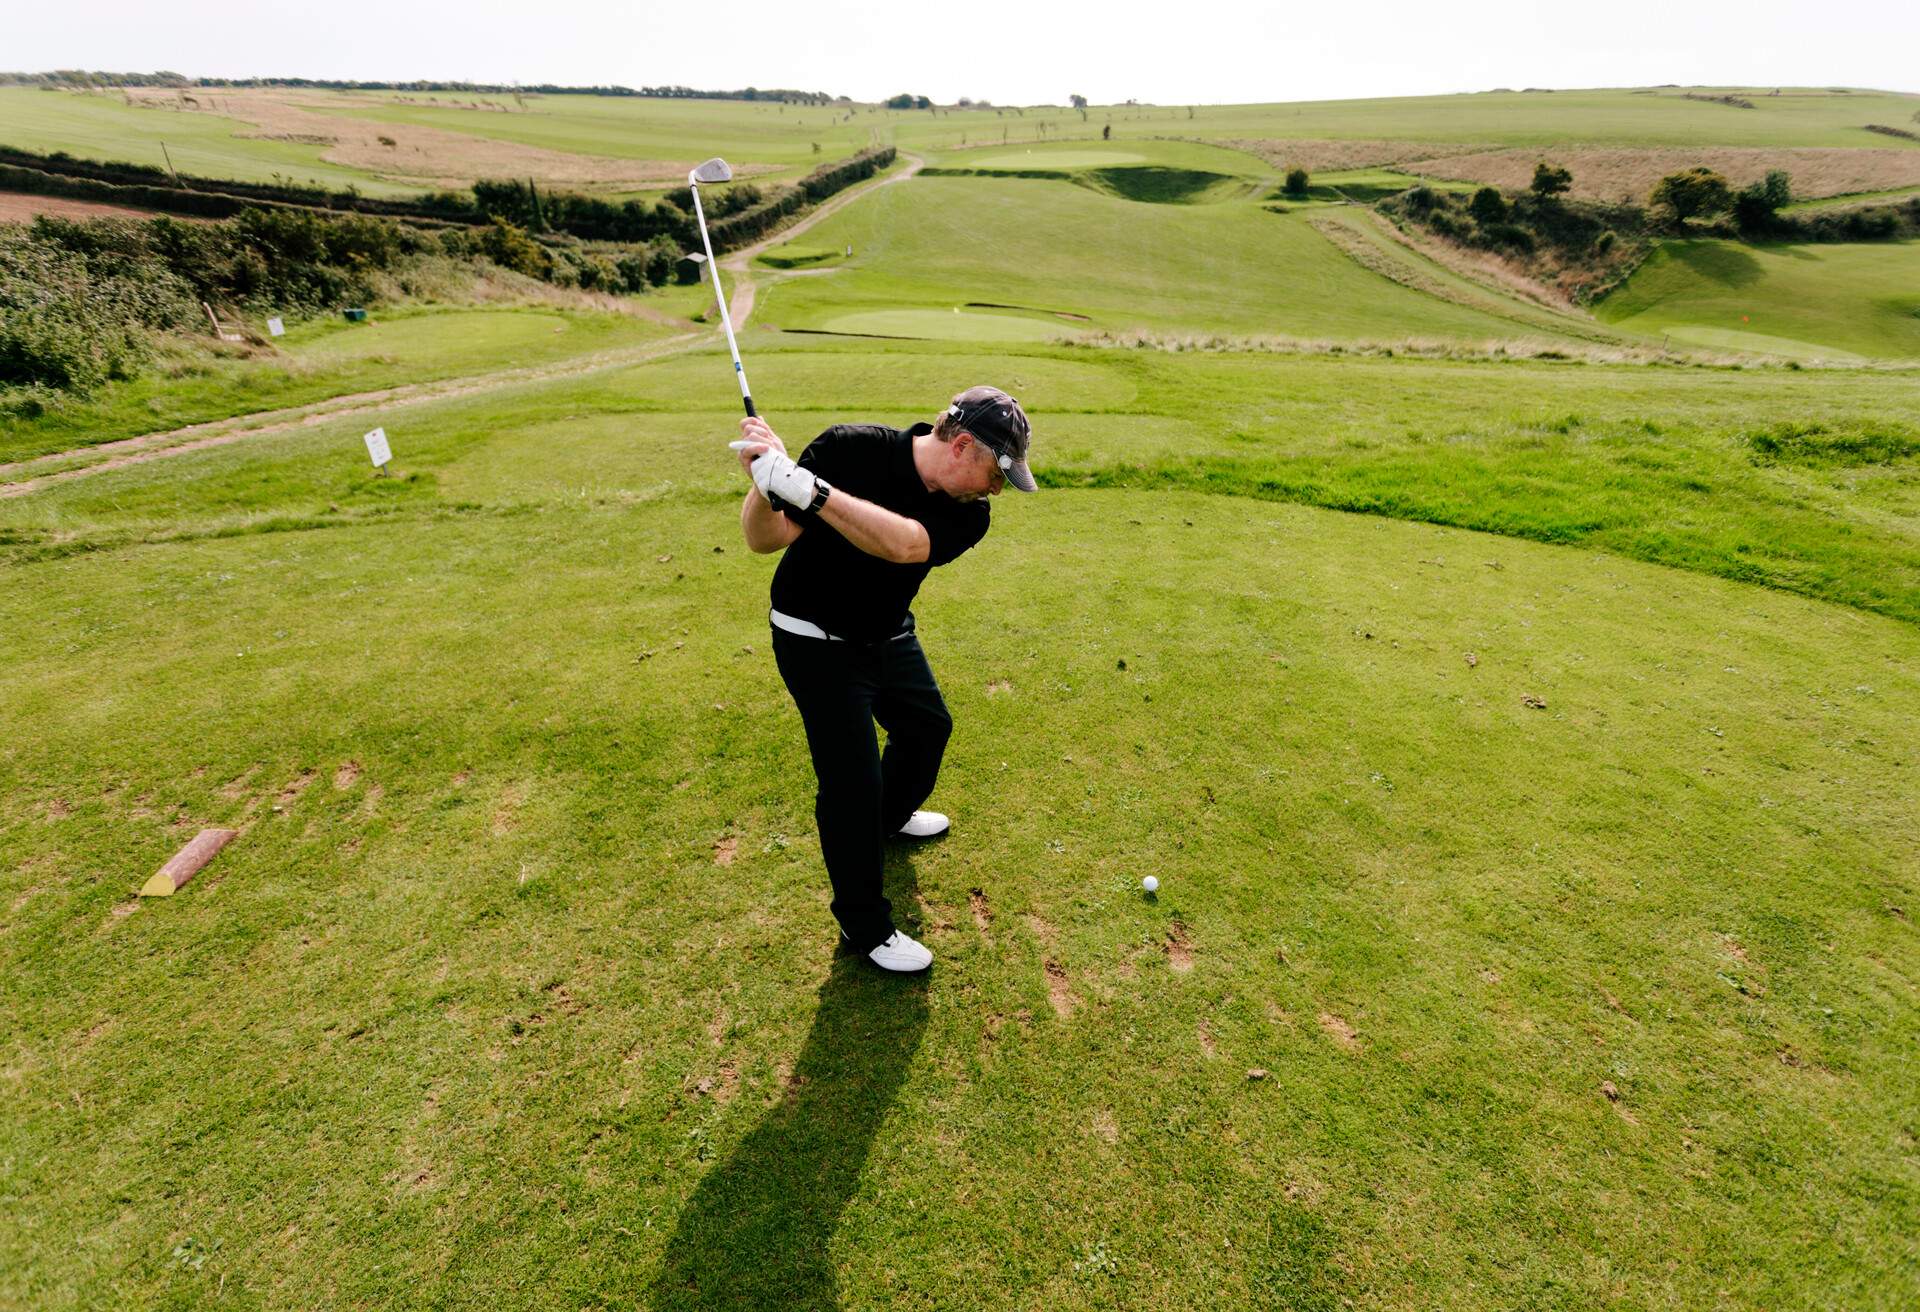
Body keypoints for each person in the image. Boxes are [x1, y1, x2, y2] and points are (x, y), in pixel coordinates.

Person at [730, 386, 1037, 972]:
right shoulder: (849, 449)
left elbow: (903, 544)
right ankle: (863, 923)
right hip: (812, 638)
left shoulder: (971, 512)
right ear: (964, 445)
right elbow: (763, 538)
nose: (998, 489)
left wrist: (807, 490)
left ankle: (887, 820)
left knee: (927, 729)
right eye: (998, 473)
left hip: (886, 633)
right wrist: (765, 482)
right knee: (851, 783)